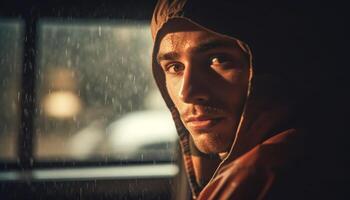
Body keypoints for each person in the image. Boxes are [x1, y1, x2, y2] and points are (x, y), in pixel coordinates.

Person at [150, 0, 348, 199]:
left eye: (218, 59)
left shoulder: (259, 179)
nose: (187, 93)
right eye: (175, 67)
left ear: (268, 64)